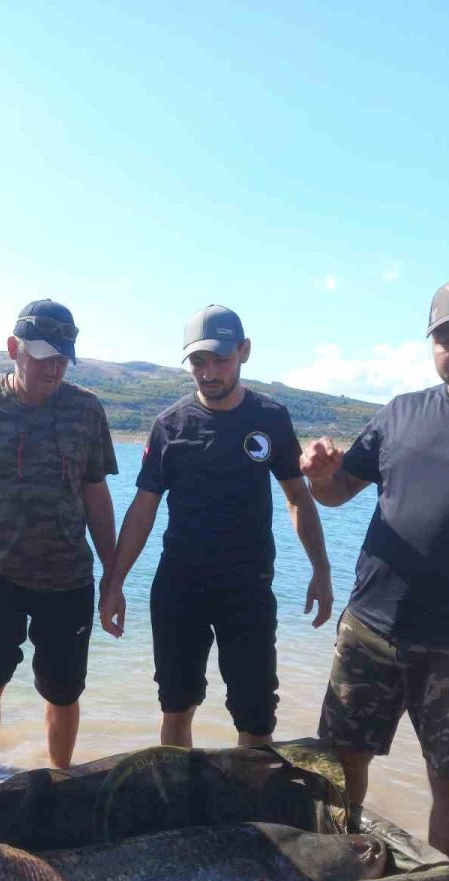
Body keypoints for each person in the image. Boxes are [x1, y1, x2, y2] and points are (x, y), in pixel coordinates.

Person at [301, 273, 449, 864]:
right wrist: (319, 474)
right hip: (371, 630)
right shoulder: (401, 412)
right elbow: (338, 493)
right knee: (339, 760)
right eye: (448, 339)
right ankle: (341, 873)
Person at [99, 305, 333, 748]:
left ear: (243, 352)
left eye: (220, 360)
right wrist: (113, 583)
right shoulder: (170, 425)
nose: (208, 372)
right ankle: (178, 805)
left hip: (248, 589)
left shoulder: (271, 418)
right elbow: (143, 507)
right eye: (198, 362)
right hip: (179, 588)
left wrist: (321, 569)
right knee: (176, 706)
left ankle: (252, 809)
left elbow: (297, 497)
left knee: (256, 717)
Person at [0, 299, 118, 772]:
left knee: (63, 691)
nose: (52, 369)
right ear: (13, 348)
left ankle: (60, 782)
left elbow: (96, 497)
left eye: (61, 359)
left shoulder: (86, 410)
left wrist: (114, 579)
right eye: (42, 356)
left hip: (67, 578)